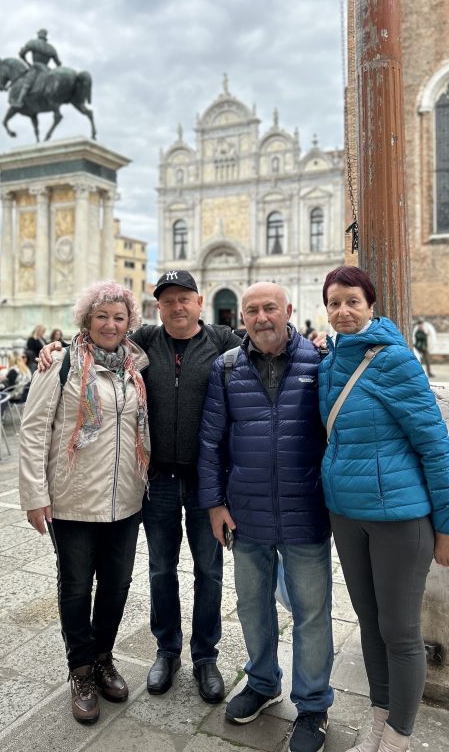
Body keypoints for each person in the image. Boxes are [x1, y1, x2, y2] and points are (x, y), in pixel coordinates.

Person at [38, 268, 241, 704]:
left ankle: (206, 657)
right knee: (160, 570)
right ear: (157, 308)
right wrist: (52, 347)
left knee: (209, 571)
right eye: (167, 301)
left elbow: (268, 344)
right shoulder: (143, 343)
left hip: (207, 480)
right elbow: (93, 338)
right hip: (156, 481)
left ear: (200, 301)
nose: (177, 307)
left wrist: (312, 342)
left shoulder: (225, 343)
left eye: (184, 298)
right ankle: (166, 652)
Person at [318, 266, 449, 752]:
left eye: (352, 301)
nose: (343, 311)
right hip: (347, 514)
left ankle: (399, 737)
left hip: (399, 519)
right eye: (334, 303)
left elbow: (435, 445)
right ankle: (380, 720)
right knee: (368, 624)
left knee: (400, 631)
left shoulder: (395, 361)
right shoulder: (328, 364)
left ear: (371, 305)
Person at [197, 282, 333, 752]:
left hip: (305, 510)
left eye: (269, 308)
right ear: (242, 318)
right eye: (252, 310)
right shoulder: (227, 368)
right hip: (246, 512)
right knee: (253, 606)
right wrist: (214, 503)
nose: (261, 318)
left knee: (312, 612)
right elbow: (211, 442)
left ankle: (313, 705)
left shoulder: (320, 363)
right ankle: (261, 680)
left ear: (288, 311)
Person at [19, 280, 150, 724]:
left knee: (117, 586)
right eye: (102, 316)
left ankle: (102, 657)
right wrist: (34, 495)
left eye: (119, 317)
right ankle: (80, 670)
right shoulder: (60, 362)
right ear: (86, 320)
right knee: (76, 587)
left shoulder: (136, 365)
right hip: (72, 499)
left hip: (126, 500)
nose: (111, 324)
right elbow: (35, 429)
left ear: (129, 322)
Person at [14, 29, 62, 108]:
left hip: (36, 67)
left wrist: (26, 60)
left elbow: (22, 54)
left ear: (39, 34)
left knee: (27, 82)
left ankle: (19, 100)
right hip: (47, 69)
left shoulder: (33, 42)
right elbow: (58, 63)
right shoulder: (51, 48)